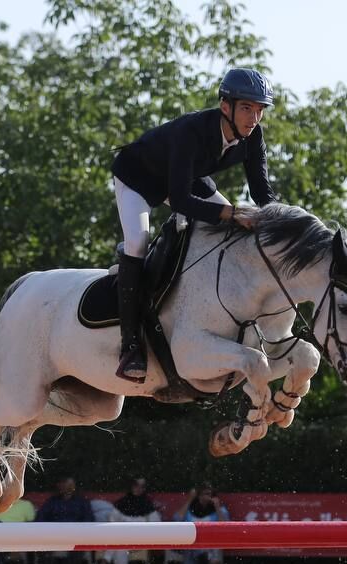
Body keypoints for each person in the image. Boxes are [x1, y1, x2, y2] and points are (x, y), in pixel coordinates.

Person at [110, 67, 278, 382]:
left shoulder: (252, 136)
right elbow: (182, 201)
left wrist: (283, 220)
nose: (253, 118)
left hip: (184, 178)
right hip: (139, 176)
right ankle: (130, 345)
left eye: (259, 110)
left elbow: (261, 192)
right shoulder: (192, 132)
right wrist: (231, 213)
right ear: (225, 106)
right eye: (246, 108)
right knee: (137, 242)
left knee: (233, 225)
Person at [35, 476, 95, 564]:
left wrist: (78, 531)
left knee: (76, 554)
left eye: (70, 485)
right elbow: (40, 518)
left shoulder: (82, 502)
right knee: (43, 553)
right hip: (54, 536)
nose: (67, 487)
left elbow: (89, 519)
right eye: (64, 484)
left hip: (75, 537)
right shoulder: (52, 501)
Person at [102, 477, 161, 564]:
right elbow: (112, 523)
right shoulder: (121, 503)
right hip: (122, 540)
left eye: (142, 486)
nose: (138, 489)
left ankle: (105, 560)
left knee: (118, 542)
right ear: (131, 486)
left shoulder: (148, 505)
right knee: (119, 547)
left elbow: (156, 525)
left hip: (141, 541)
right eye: (136, 485)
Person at [174, 484, 230, 564]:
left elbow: (225, 526)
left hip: (210, 545)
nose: (207, 497)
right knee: (190, 550)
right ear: (198, 496)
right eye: (205, 494)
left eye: (210, 494)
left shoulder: (219, 510)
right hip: (191, 543)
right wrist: (189, 500)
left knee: (197, 551)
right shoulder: (190, 509)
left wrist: (217, 507)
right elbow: (177, 518)